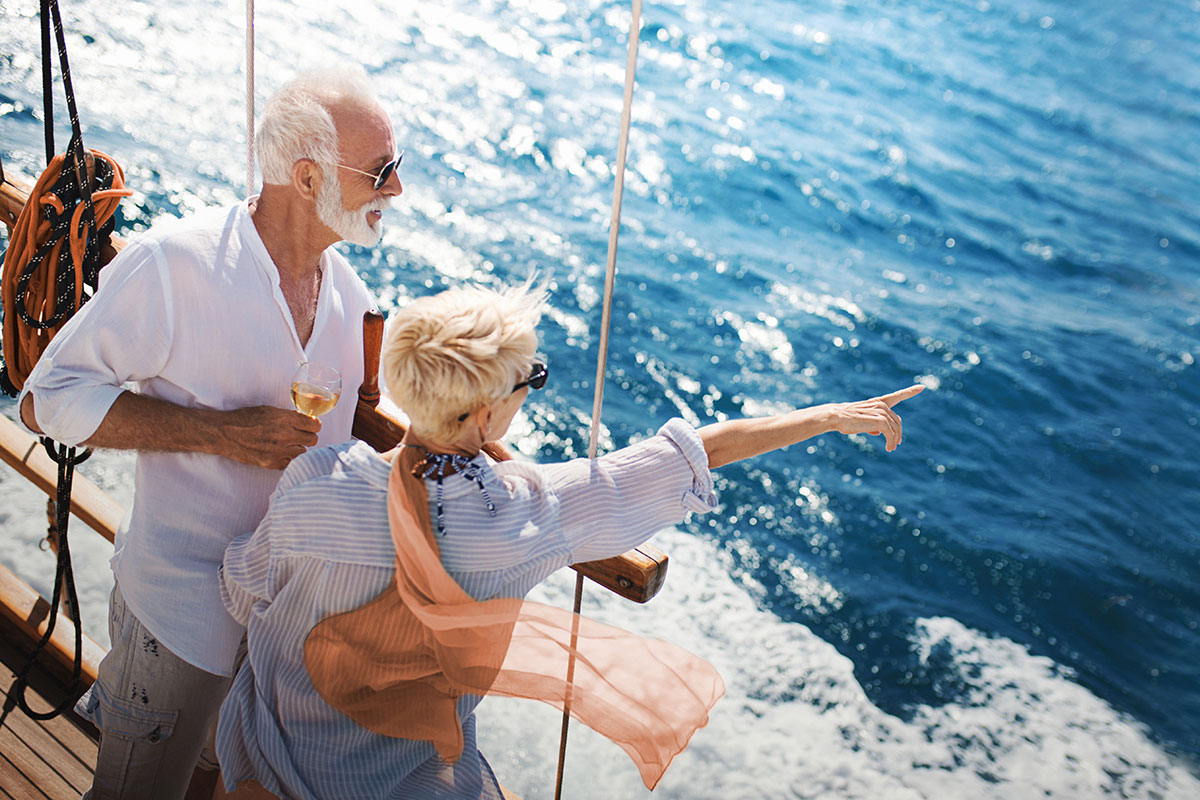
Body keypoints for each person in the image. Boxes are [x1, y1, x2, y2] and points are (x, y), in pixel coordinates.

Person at [213, 283, 923, 799]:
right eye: (533, 380)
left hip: (261, 767)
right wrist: (828, 415)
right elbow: (685, 456)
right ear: (488, 416)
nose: (533, 390)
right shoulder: (527, 517)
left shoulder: (315, 482)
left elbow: (243, 591)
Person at [17, 65, 401, 799]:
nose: (396, 189)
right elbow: (47, 400)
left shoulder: (351, 300)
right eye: (381, 170)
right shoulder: (175, 265)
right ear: (309, 176)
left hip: (277, 643)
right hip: (178, 621)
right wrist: (219, 434)